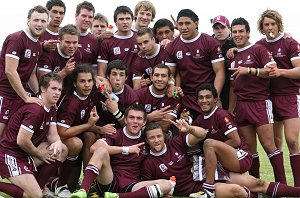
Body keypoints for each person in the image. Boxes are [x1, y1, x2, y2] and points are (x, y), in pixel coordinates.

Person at [142, 122, 300, 198]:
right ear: (147, 141)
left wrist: (189, 129)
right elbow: (150, 188)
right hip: (194, 188)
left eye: (158, 136)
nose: (156, 140)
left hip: (205, 172)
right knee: (238, 192)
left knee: (257, 183)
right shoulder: (149, 163)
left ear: (164, 136)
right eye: (152, 138)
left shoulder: (175, 143)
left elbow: (202, 134)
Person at [228, 17, 286, 183]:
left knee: (269, 146)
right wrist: (232, 109)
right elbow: (233, 86)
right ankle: (256, 186)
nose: (238, 35)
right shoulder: (233, 55)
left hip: (260, 103)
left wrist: (250, 70)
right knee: (250, 149)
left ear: (248, 33)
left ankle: (280, 186)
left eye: (241, 31)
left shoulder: (258, 49)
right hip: (242, 105)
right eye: (235, 32)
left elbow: (272, 70)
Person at [70, 104, 172, 198]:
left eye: (139, 118)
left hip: (132, 184)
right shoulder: (116, 134)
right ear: (126, 120)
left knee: (166, 185)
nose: (135, 121)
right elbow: (94, 148)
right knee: (101, 150)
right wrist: (126, 149)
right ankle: (83, 191)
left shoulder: (147, 137)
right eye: (131, 117)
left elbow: (161, 151)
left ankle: (117, 196)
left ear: (144, 122)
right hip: (109, 181)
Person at [0, 73, 68, 198]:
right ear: (42, 89)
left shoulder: (51, 108)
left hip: (25, 154)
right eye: (53, 89)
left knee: (61, 149)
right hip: (10, 155)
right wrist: (39, 153)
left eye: (59, 89)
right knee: (34, 195)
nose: (57, 93)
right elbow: (22, 140)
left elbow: (53, 134)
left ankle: (39, 188)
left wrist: (57, 142)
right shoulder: (35, 110)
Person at [256, 9, 300, 187]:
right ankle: (282, 186)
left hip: (289, 96)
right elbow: (247, 53)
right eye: (266, 24)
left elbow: (299, 70)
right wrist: (234, 49)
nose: (269, 27)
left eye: (273, 23)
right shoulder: (259, 45)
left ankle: (297, 186)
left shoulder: (289, 42)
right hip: (269, 98)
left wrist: (280, 71)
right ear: (262, 27)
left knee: (292, 140)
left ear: (278, 24)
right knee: (276, 144)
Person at [191, 83, 252, 194]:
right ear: (197, 101)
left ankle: (209, 189)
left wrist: (215, 151)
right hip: (224, 159)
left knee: (209, 144)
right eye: (201, 97)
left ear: (215, 100)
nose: (204, 100)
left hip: (240, 156)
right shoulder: (199, 120)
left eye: (208, 97)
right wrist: (187, 124)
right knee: (253, 186)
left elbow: (236, 141)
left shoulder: (222, 115)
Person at [46, 65, 99, 193]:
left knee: (90, 136)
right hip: (55, 139)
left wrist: (100, 129)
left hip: (75, 136)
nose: (87, 85)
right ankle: (55, 183)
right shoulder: (71, 102)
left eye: (89, 81)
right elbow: (62, 133)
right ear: (75, 83)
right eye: (82, 81)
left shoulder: (91, 93)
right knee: (76, 143)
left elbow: (105, 89)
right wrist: (89, 125)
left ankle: (89, 183)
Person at [165, 9, 225, 118]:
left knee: (213, 132)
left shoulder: (210, 42)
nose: (183, 27)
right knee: (185, 130)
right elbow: (170, 74)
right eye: (180, 24)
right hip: (185, 97)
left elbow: (220, 72)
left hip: (206, 96)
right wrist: (172, 85)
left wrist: (215, 96)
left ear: (196, 23)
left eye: (187, 23)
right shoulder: (172, 46)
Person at [0, 5, 48, 136]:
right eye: (36, 20)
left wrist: (38, 94)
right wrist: (26, 97)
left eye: (43, 21)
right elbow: (10, 71)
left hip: (18, 96)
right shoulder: (16, 39)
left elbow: (31, 72)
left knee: (9, 137)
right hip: (4, 95)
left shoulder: (38, 45)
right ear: (28, 21)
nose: (39, 24)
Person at [97, 5, 139, 86]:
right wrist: (104, 87)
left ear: (132, 20)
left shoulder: (139, 38)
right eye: (121, 19)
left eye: (128, 18)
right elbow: (101, 71)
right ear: (115, 22)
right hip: (113, 89)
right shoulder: (107, 42)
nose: (125, 22)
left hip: (135, 88)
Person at [135, 64, 180, 134]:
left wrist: (143, 120)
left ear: (169, 79)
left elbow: (165, 125)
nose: (159, 79)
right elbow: (132, 123)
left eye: (163, 76)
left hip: (161, 136)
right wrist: (150, 117)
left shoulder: (174, 96)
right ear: (151, 77)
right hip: (139, 134)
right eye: (156, 75)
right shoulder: (139, 94)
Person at [94, 59, 138, 129]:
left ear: (126, 78)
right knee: (89, 135)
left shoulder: (131, 96)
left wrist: (116, 112)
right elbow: (85, 76)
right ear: (108, 76)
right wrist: (97, 79)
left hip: (120, 130)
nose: (117, 78)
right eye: (114, 74)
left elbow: (131, 127)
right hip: (99, 127)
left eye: (121, 75)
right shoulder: (101, 87)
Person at [211, 15, 236, 110]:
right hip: (214, 86)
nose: (219, 31)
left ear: (229, 28)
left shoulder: (237, 41)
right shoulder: (209, 43)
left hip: (233, 88)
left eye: (222, 27)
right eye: (216, 28)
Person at [75, 1, 98, 70]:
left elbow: (94, 67)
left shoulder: (94, 41)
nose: (87, 20)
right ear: (76, 16)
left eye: (90, 17)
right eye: (84, 16)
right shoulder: (63, 34)